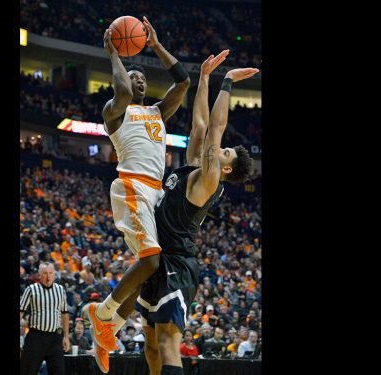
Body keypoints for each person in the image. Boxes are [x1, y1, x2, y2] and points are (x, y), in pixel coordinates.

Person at [134, 52, 257, 375]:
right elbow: (201, 124)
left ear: (226, 167)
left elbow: (217, 125)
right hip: (157, 258)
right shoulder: (194, 164)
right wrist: (203, 78)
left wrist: (227, 80)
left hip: (178, 263)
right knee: (149, 345)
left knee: (167, 345)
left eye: (225, 151)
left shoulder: (210, 178)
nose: (220, 147)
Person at [87, 16, 190, 373]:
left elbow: (184, 80)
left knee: (151, 272)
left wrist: (157, 46)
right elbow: (123, 91)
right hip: (131, 185)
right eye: (133, 77)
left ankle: (107, 329)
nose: (139, 80)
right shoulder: (115, 112)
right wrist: (113, 52)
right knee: (149, 261)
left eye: (143, 76)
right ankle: (101, 315)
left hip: (156, 193)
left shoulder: (158, 112)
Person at [20, 262, 71, 375]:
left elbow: (65, 314)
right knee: (27, 371)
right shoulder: (31, 289)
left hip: (55, 337)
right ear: (39, 275)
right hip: (35, 337)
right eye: (45, 273)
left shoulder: (60, 290)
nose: (48, 276)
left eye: (50, 273)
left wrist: (66, 337)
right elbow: (21, 311)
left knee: (59, 372)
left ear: (54, 274)